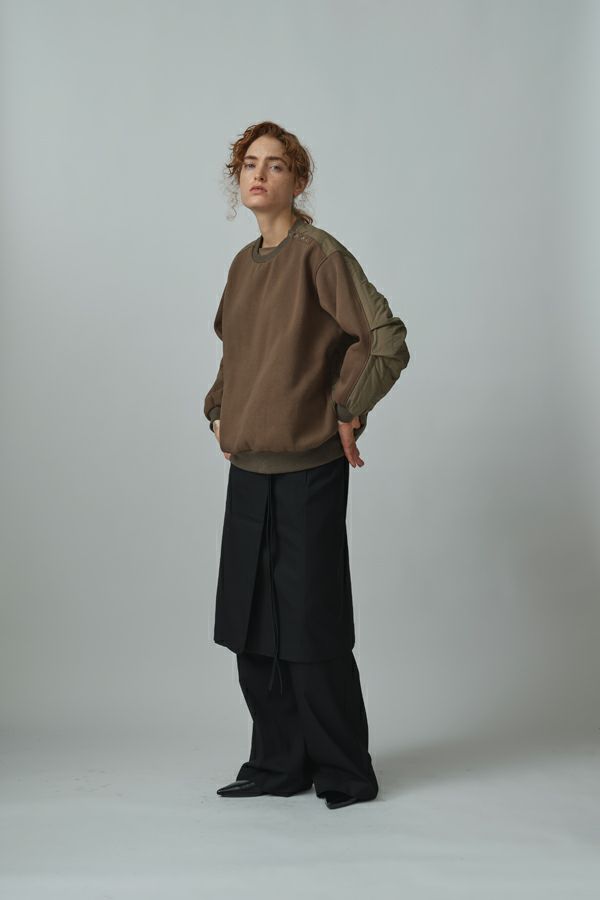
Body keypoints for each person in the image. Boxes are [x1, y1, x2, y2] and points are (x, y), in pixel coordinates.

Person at [203, 121, 410, 810]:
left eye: (276, 164)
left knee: (310, 623)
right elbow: (239, 354)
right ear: (238, 179)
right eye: (249, 164)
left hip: (308, 468)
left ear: (298, 179)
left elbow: (383, 338)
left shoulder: (318, 254)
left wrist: (349, 407)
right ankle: (278, 765)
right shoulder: (243, 264)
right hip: (249, 468)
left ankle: (344, 771)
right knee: (249, 623)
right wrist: (219, 410)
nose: (260, 174)